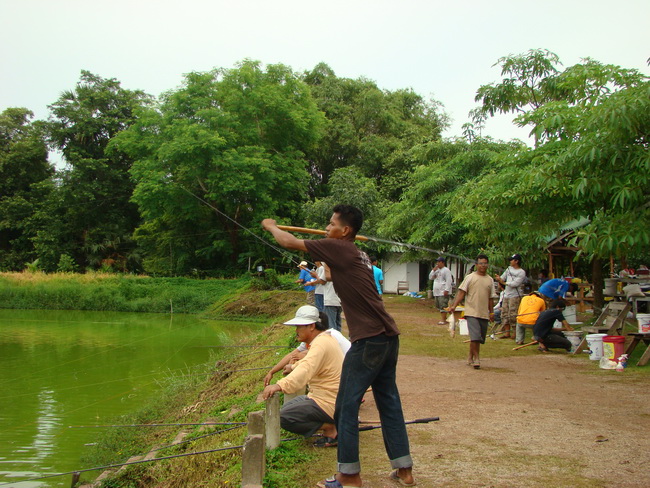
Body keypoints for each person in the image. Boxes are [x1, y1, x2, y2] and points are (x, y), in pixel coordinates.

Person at [262, 205, 414, 488]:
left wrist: (271, 225)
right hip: (388, 337)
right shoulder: (358, 254)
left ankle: (349, 477)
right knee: (389, 403)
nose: (327, 228)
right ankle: (404, 471)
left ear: (345, 231)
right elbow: (331, 276)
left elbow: (289, 241)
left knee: (344, 408)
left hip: (368, 340)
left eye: (331, 224)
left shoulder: (338, 247)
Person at [261, 305, 344, 446]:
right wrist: (292, 366)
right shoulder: (322, 341)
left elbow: (306, 369)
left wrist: (279, 385)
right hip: (322, 396)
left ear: (311, 326)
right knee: (288, 407)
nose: (296, 331)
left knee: (282, 417)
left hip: (329, 401)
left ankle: (330, 428)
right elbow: (307, 363)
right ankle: (332, 422)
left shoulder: (321, 344)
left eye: (299, 326)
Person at [448, 254, 496, 369]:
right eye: (480, 263)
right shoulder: (470, 277)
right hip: (471, 312)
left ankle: (470, 355)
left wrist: (491, 312)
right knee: (475, 336)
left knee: (479, 338)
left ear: (487, 265)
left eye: (485, 263)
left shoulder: (490, 280)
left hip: (483, 312)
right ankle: (477, 359)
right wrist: (454, 305)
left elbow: (491, 298)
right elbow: (461, 293)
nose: (483, 266)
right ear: (476, 265)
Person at [494, 254, 526, 339]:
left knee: (513, 314)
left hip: (515, 295)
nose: (510, 261)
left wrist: (504, 283)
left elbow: (515, 284)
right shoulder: (508, 269)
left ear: (516, 261)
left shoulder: (521, 272)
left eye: (512, 260)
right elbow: (503, 278)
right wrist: (499, 278)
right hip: (506, 295)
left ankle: (515, 332)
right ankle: (506, 332)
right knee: (504, 313)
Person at [429, 257, 454, 325]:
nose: (437, 263)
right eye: (437, 262)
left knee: (443, 305)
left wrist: (447, 290)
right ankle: (448, 317)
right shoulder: (436, 270)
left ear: (442, 262)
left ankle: (444, 319)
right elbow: (430, 277)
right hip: (437, 291)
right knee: (438, 305)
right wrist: (433, 270)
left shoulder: (446, 270)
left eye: (439, 262)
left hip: (443, 291)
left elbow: (449, 280)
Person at [322, 263, 344, 332]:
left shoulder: (327, 267)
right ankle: (338, 341)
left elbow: (322, 281)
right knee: (338, 325)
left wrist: (315, 275)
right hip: (339, 300)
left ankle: (333, 341)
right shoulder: (342, 268)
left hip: (330, 300)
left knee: (331, 325)